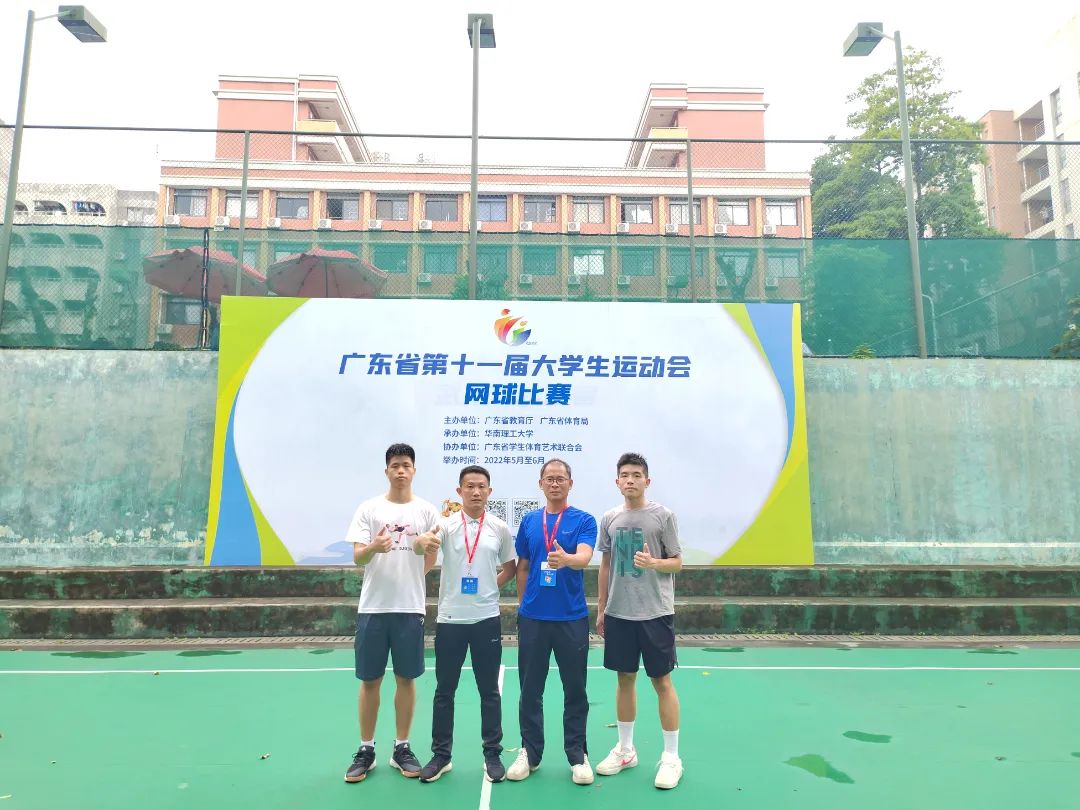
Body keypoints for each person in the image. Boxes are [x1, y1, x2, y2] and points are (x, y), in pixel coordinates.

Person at [343, 443, 441, 783]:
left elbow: (431, 554)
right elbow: (358, 557)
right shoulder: (369, 509)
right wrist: (374, 547)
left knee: (406, 678)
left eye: (406, 465)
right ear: (386, 471)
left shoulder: (427, 511)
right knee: (370, 680)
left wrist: (412, 575)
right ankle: (366, 749)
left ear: (414, 470)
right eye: (395, 465)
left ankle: (402, 747)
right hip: (373, 607)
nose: (401, 470)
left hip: (409, 608)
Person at [414, 465, 517, 784]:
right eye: (469, 486)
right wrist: (423, 543)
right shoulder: (444, 526)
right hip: (450, 620)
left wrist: (488, 588)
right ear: (459, 491)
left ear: (489, 492)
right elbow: (426, 549)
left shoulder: (499, 528)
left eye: (481, 486)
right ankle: (441, 756)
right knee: (445, 691)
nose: (475, 491)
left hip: (486, 620)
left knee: (489, 691)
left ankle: (492, 754)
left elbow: (510, 568)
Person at [594, 452, 684, 789]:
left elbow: (677, 562)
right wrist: (601, 608)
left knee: (662, 682)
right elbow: (606, 565)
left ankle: (671, 757)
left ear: (647, 480)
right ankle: (626, 750)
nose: (630, 480)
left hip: (655, 613)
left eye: (636, 475)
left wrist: (654, 563)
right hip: (619, 613)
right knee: (625, 679)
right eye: (625, 475)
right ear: (616, 482)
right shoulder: (610, 518)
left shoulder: (663, 516)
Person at [506, 459, 597, 786]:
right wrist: (523, 606)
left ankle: (577, 754)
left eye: (561, 479)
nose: (555, 483)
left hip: (571, 618)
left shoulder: (584, 520)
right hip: (533, 619)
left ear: (570, 483)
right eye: (549, 479)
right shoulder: (530, 521)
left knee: (575, 690)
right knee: (530, 690)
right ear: (540, 483)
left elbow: (584, 557)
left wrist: (567, 559)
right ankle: (530, 753)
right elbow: (523, 567)